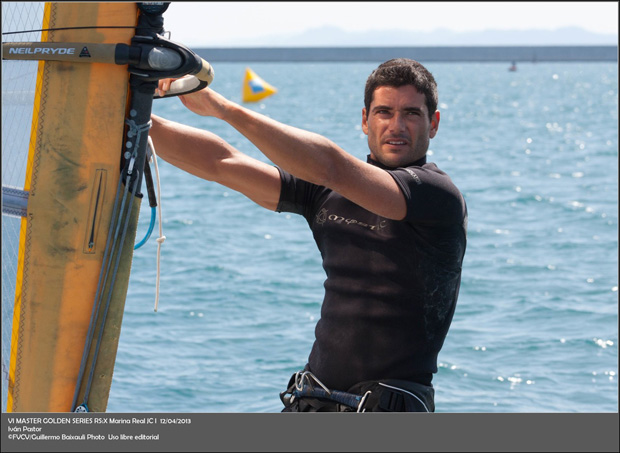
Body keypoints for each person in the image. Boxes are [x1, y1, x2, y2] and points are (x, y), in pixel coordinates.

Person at [149, 58, 467, 412]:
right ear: (365, 120)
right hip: (310, 399)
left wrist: (223, 109)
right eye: (384, 112)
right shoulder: (325, 193)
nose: (397, 126)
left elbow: (332, 167)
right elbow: (220, 163)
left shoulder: (436, 195)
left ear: (433, 124)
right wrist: (137, 122)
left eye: (411, 113)